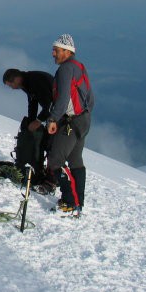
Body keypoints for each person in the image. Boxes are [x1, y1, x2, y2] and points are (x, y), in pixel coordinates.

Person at [45, 34, 94, 217]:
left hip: (70, 122)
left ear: (67, 51)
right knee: (75, 161)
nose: (53, 53)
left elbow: (64, 98)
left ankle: (69, 203)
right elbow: (90, 97)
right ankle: (77, 203)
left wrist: (52, 119)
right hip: (84, 120)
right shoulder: (79, 67)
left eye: (56, 50)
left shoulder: (66, 69)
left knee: (56, 160)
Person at [3, 69, 54, 185]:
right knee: (43, 143)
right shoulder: (27, 83)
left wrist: (38, 121)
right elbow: (33, 103)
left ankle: (50, 179)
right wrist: (31, 121)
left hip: (59, 115)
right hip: (52, 115)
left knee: (52, 147)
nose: (12, 87)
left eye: (11, 84)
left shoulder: (35, 81)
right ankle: (41, 172)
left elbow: (49, 104)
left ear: (16, 78)